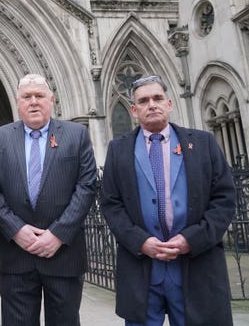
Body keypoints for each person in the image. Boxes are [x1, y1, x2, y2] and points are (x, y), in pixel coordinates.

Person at [100, 75, 236, 326]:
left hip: (194, 265)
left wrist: (190, 239)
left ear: (169, 103)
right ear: (133, 109)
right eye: (143, 100)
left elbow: (224, 199)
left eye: (157, 98)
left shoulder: (203, 143)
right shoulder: (118, 150)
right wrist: (141, 242)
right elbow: (111, 204)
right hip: (143, 270)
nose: (151, 104)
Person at [0, 73, 97, 326]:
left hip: (64, 254)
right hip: (15, 255)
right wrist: (16, 230)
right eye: (27, 97)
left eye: (39, 96)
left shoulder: (76, 135)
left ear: (52, 100)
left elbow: (87, 186)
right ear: (18, 103)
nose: (33, 102)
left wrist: (57, 234)